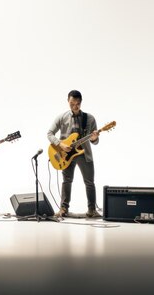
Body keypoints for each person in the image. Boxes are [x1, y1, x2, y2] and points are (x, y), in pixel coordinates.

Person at [47, 90, 101, 218]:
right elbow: (49, 133)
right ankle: (63, 209)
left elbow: (96, 141)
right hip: (66, 155)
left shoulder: (89, 119)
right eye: (72, 103)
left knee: (89, 182)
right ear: (68, 101)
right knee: (67, 181)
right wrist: (60, 144)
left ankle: (92, 210)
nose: (75, 106)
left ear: (81, 103)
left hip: (84, 154)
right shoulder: (61, 117)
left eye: (77, 104)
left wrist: (94, 138)